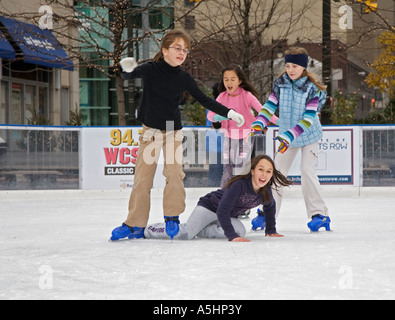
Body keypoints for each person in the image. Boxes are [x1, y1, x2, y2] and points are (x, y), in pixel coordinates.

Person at [110, 30, 245, 241]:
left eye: (185, 50)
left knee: (174, 173)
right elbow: (128, 74)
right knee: (142, 180)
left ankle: (171, 216)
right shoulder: (151, 69)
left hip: (173, 129)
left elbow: (204, 100)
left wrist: (229, 113)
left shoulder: (184, 78)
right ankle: (134, 224)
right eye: (177, 48)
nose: (182, 53)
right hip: (150, 131)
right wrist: (123, 67)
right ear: (164, 50)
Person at [252, 47, 331, 232]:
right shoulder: (280, 83)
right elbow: (269, 106)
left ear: (303, 67)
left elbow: (308, 118)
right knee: (276, 172)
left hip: (308, 134)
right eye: (287, 65)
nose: (290, 70)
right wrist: (259, 121)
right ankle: (268, 212)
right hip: (288, 136)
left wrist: (289, 134)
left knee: (306, 170)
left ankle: (320, 214)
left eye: (295, 66)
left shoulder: (312, 89)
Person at [145, 155, 293, 242]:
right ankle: (149, 230)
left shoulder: (265, 190)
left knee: (240, 231)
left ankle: (202, 230)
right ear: (253, 171)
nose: (264, 174)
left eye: (268, 171)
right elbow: (222, 209)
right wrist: (231, 236)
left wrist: (271, 230)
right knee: (187, 233)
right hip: (210, 207)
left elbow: (269, 207)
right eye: (261, 169)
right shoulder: (239, 185)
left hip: (225, 215)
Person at [207, 66, 266, 187]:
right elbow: (210, 115)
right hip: (229, 137)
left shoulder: (247, 96)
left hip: (246, 137)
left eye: (232, 79)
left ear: (239, 81)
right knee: (228, 169)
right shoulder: (222, 97)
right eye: (226, 79)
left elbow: (263, 111)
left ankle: (242, 197)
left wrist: (276, 122)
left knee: (242, 168)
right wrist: (223, 117)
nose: (229, 82)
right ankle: (225, 197)